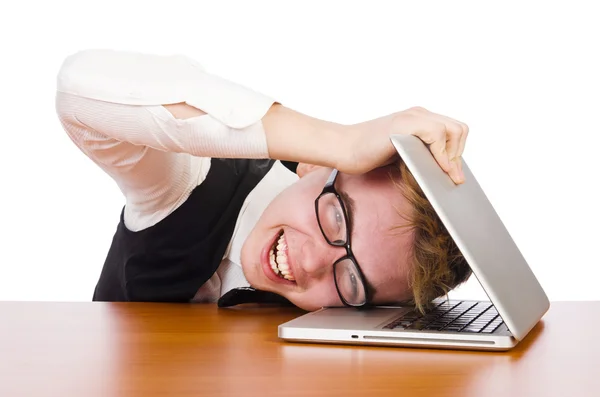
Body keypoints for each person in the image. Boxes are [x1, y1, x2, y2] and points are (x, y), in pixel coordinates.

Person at [55, 49, 471, 313]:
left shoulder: (343, 311)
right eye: (335, 218)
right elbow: (80, 89)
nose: (310, 264)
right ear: (314, 166)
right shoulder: (192, 180)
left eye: (352, 280)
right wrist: (340, 141)